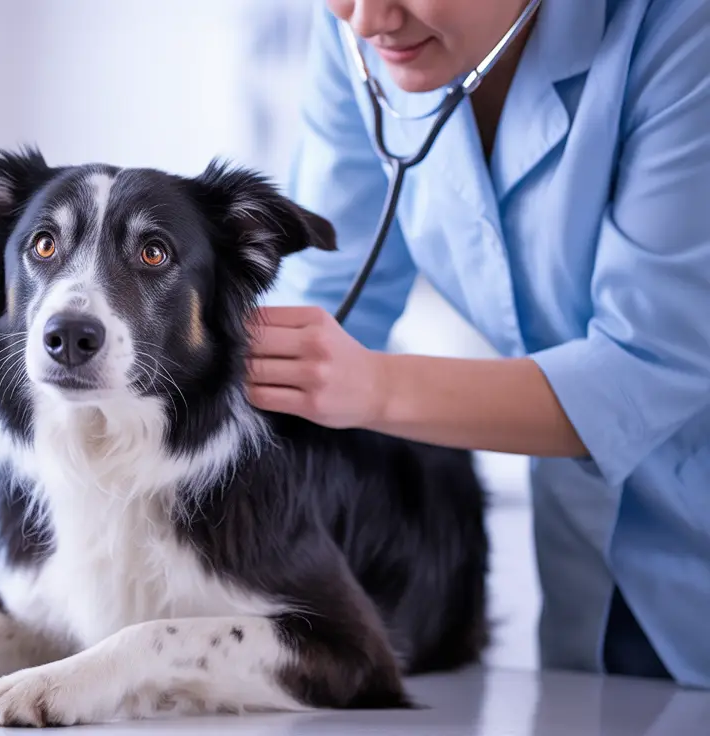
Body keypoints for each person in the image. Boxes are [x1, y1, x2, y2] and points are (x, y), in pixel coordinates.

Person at [249, 0, 710, 688]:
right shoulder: (354, 37)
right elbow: (326, 296)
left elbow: (645, 367)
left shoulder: (684, 33)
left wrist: (371, 388)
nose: (371, 19)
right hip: (592, 558)